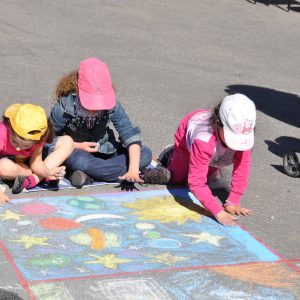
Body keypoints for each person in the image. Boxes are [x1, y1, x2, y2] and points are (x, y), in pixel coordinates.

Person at [49, 57, 170, 188]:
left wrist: (133, 168)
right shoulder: (64, 107)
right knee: (79, 161)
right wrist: (77, 145)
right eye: (92, 102)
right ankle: (142, 176)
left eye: (100, 102)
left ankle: (94, 176)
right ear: (78, 90)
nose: (96, 109)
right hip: (78, 153)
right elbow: (48, 140)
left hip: (107, 151)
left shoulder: (112, 105)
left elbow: (128, 133)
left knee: (145, 153)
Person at [158, 94, 256, 226]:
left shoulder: (245, 138)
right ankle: (169, 153)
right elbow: (196, 182)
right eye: (233, 137)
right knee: (177, 180)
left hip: (214, 151)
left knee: (210, 174)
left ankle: (209, 161)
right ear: (218, 124)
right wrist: (218, 212)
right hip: (188, 143)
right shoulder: (203, 140)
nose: (238, 143)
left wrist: (233, 200)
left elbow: (242, 169)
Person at [0, 103, 74, 204]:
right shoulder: (1, 133)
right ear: (9, 127)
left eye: (26, 146)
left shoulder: (39, 137)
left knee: (68, 141)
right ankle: (40, 178)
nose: (18, 148)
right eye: (14, 142)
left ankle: (34, 179)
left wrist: (47, 172)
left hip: (28, 163)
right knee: (3, 167)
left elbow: (36, 162)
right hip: (13, 165)